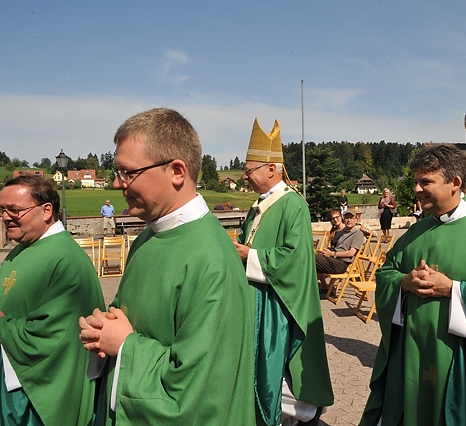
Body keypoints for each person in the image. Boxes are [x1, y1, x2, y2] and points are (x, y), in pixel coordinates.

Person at [79, 108, 256, 424]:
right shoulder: (149, 236)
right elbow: (130, 318)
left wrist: (126, 346)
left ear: (177, 171)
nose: (117, 184)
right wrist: (103, 328)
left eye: (128, 173)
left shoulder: (211, 259)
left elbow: (201, 390)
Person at [360, 144, 466, 426]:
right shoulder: (415, 232)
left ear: (455, 183)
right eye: (416, 181)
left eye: (425, 181)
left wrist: (454, 289)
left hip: (462, 365)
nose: (416, 189)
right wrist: (404, 282)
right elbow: (386, 273)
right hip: (411, 356)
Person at [0, 175, 105, 425]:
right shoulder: (20, 251)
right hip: (3, 376)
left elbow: (57, 334)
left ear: (46, 210)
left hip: (29, 397)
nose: (6, 217)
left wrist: (0, 327)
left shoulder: (67, 260)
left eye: (15, 210)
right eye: (2, 210)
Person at [233, 117, 333, 426]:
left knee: (275, 368)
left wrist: (249, 255)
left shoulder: (293, 205)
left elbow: (295, 259)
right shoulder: (258, 205)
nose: (245, 176)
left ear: (271, 169)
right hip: (254, 298)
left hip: (277, 304)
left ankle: (296, 414)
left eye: (249, 170)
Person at [316, 210, 365, 279]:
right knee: (311, 259)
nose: (349, 220)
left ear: (356, 220)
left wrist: (332, 254)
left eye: (351, 218)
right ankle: (319, 284)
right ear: (344, 220)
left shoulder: (358, 233)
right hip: (333, 259)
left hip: (341, 263)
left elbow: (351, 253)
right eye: (346, 218)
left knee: (312, 258)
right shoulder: (343, 232)